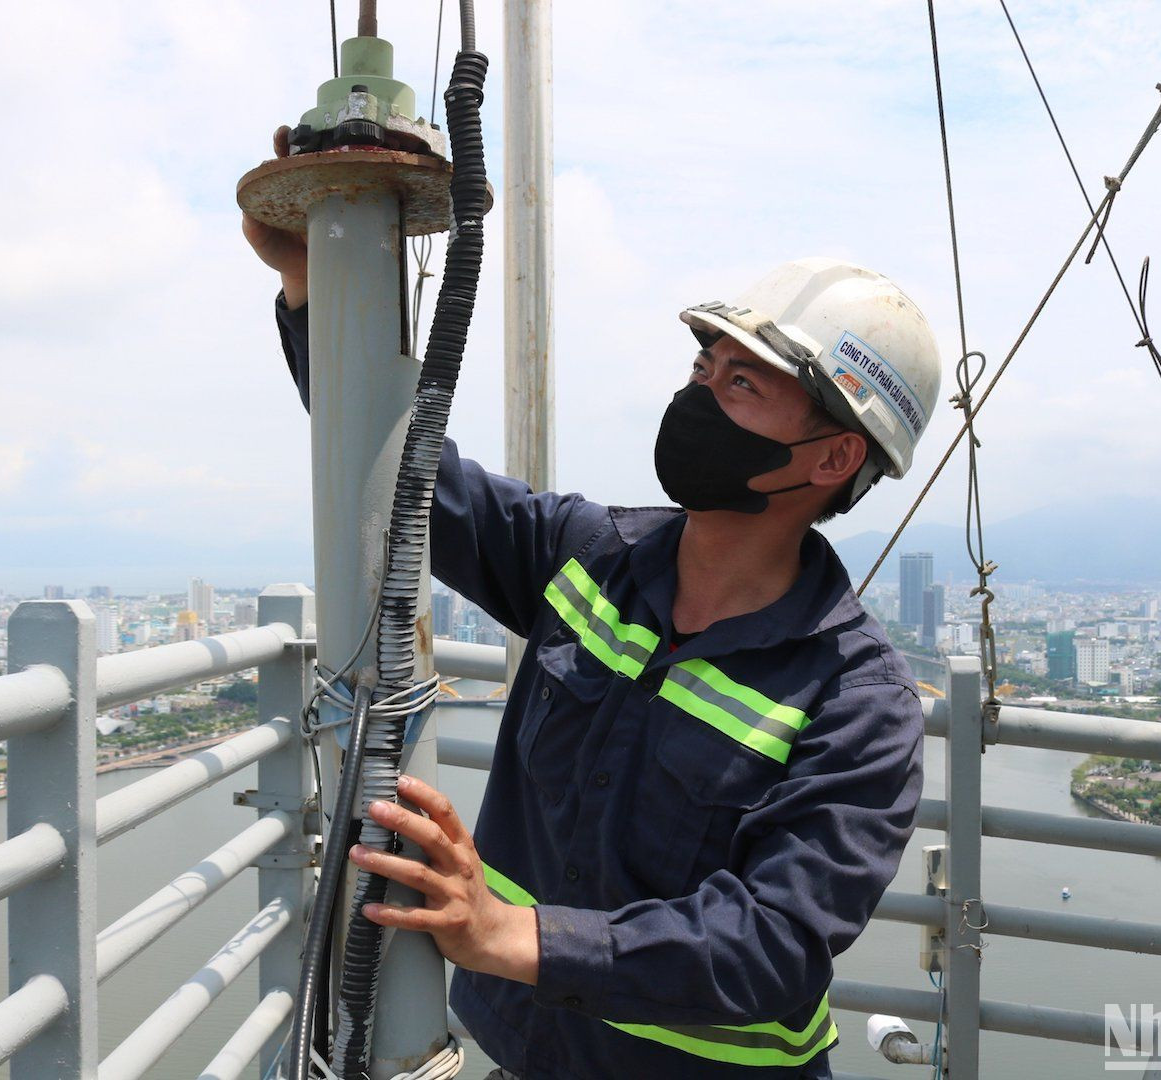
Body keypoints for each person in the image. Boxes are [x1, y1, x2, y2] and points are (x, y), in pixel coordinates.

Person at [245, 153, 941, 1080]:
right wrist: (312, 290)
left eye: (744, 385)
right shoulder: (588, 556)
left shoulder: (858, 702)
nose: (699, 397)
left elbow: (772, 942)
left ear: (831, 458)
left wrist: (511, 936)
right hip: (529, 1054)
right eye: (705, 366)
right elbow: (414, 478)